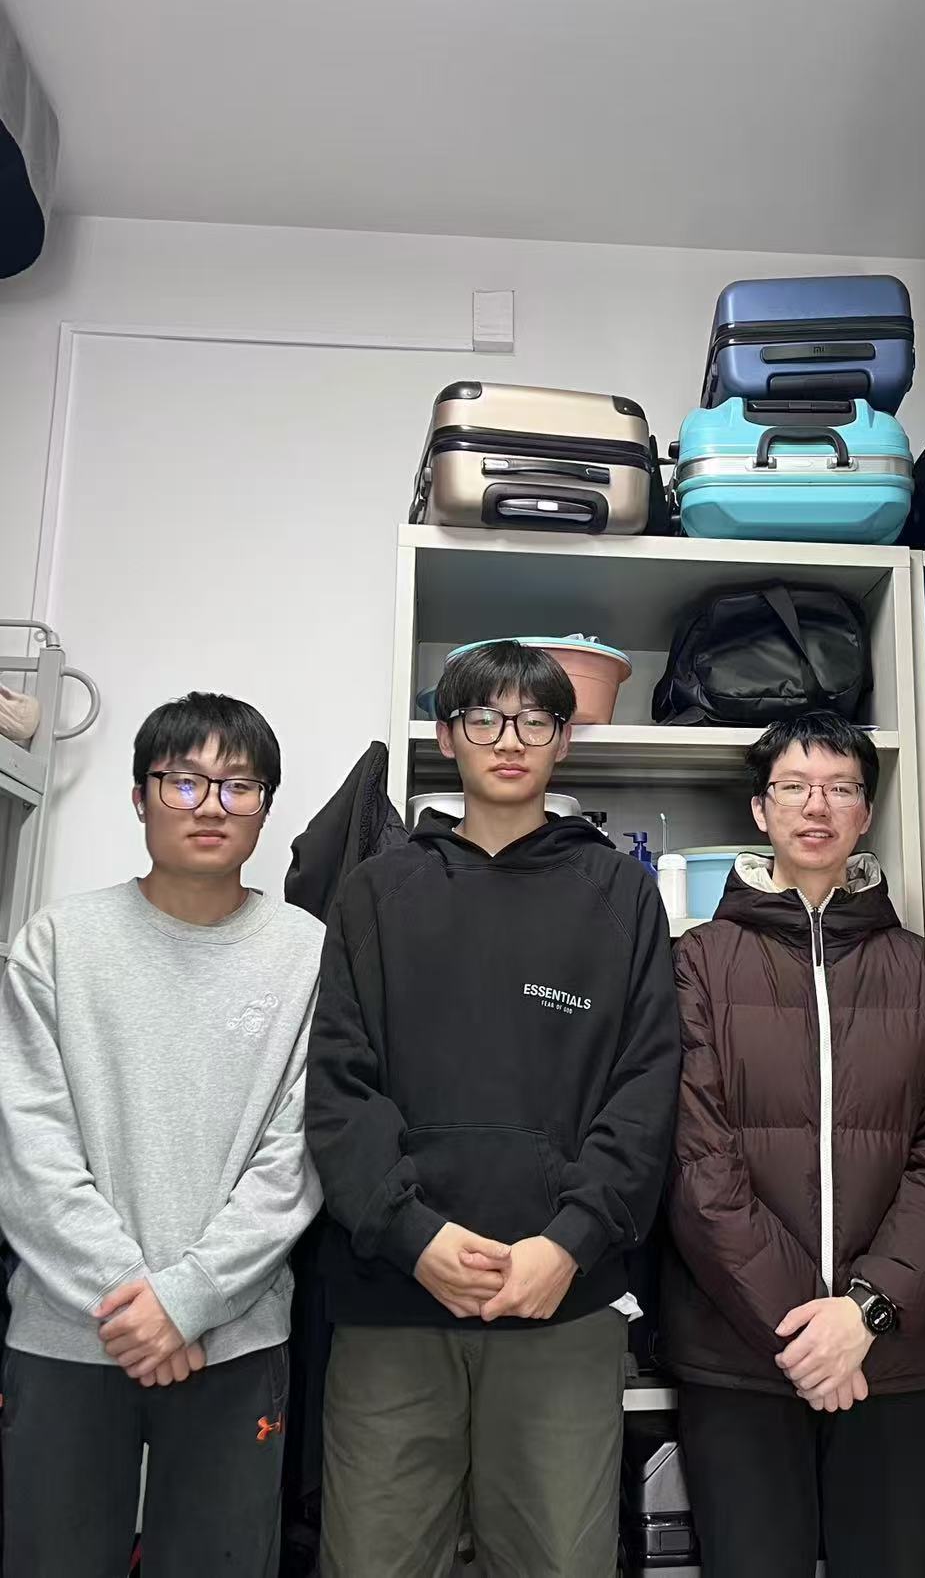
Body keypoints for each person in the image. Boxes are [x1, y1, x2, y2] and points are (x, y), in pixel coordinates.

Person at [305, 640, 680, 1578]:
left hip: (562, 1303)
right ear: (447, 736)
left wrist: (570, 1242)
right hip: (394, 1305)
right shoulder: (375, 891)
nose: (509, 740)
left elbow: (646, 1089)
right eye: (484, 717)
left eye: (535, 721)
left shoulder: (620, 895)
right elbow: (338, 1091)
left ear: (563, 740)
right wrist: (412, 1235)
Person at [663, 711, 925, 1578]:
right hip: (742, 1360)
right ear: (760, 808)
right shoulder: (695, 964)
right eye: (794, 786)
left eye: (841, 787)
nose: (817, 806)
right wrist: (806, 1333)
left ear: (865, 812)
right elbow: (695, 1163)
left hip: (896, 1356)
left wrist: (864, 1313)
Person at [0, 692, 324, 1578]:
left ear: (265, 805)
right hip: (69, 1337)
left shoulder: (307, 953)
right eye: (183, 781)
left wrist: (187, 1300)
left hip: (235, 1338)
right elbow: (27, 1146)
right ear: (139, 796)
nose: (211, 805)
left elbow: (297, 1154)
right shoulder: (57, 941)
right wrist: (135, 1299)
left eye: (238, 785)